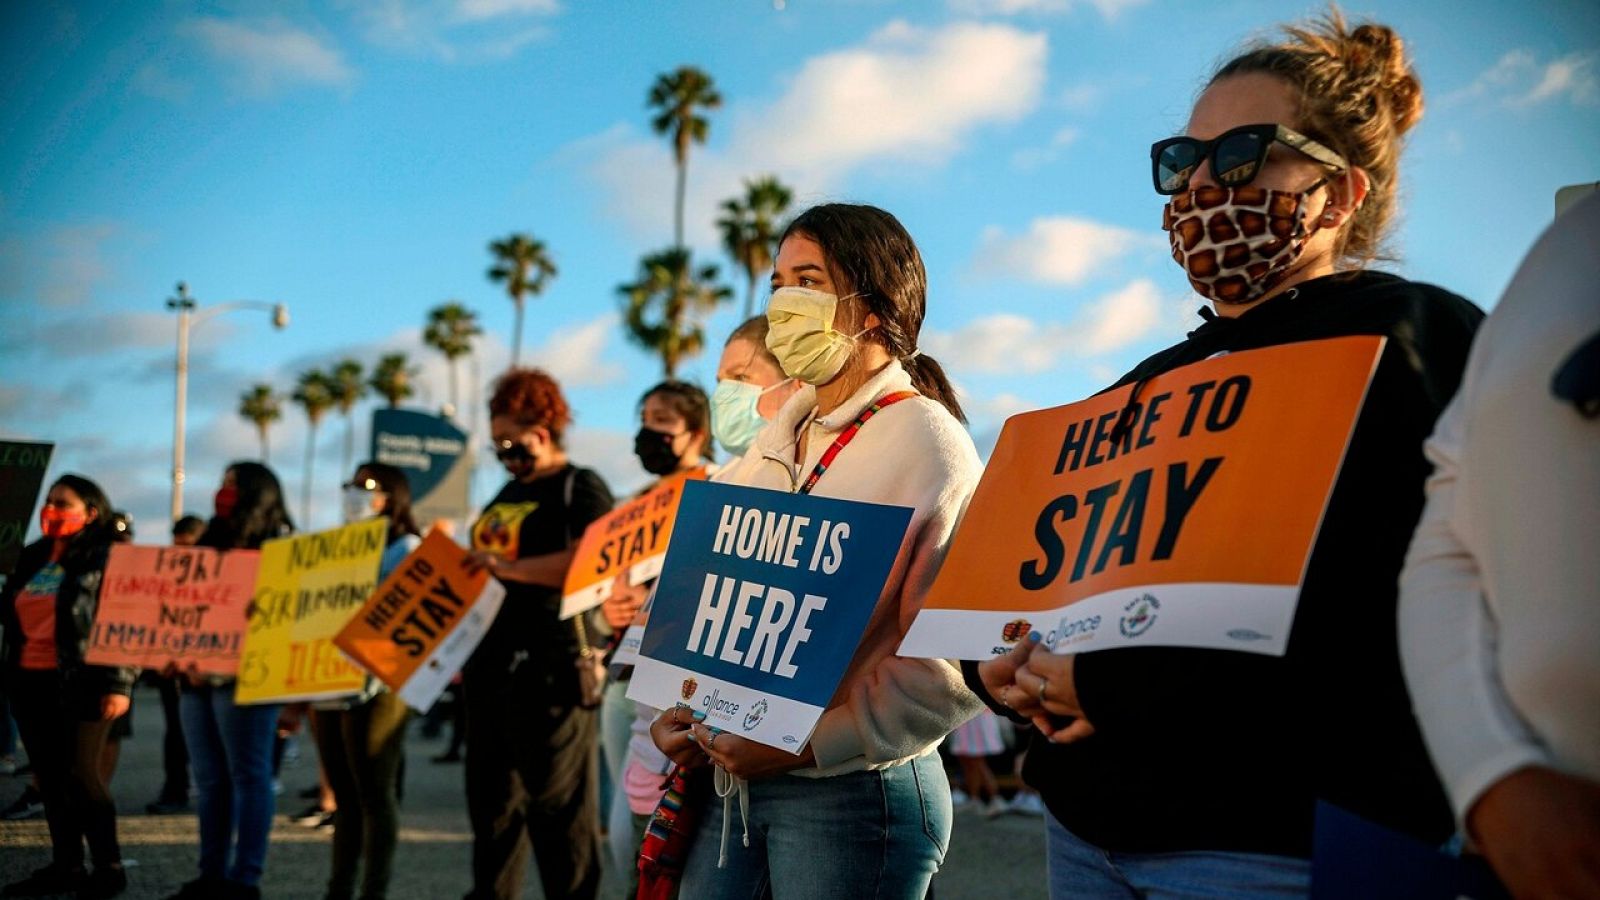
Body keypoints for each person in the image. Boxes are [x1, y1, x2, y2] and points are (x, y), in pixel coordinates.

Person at [968, 11, 1484, 897]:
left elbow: (1406, 609)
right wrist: (1000, 669)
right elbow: (1038, 598)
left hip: (1274, 839)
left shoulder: (1413, 339)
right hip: (1085, 833)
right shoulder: (1136, 387)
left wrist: (1116, 686)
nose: (1204, 182)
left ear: (1343, 193)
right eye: (1183, 159)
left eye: (1242, 152)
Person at [650, 203, 984, 899]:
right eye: (777, 283)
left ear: (871, 305)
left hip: (854, 794)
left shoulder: (928, 443)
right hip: (730, 786)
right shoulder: (765, 451)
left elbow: (952, 659)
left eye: (807, 279)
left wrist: (811, 740)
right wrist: (679, 707)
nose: (781, 303)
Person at [1399, 192, 1600, 898]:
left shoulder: (1423, 322)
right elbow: (1449, 523)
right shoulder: (1563, 256)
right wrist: (1493, 774)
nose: (1202, 187)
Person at [461, 368, 615, 900]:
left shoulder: (581, 485)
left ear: (544, 431)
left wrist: (507, 568)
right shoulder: (506, 491)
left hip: (551, 670)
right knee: (492, 810)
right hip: (490, 671)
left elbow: (592, 564)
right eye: (497, 446)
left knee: (559, 812)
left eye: (514, 442)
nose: (507, 456)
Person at [598, 380, 715, 897]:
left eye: (662, 421)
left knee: (655, 826)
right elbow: (607, 586)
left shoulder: (720, 487)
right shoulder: (634, 506)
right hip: (623, 675)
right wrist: (611, 606)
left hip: (673, 682)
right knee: (621, 823)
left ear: (695, 431)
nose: (648, 432)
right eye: (643, 418)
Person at [0, 475, 134, 900]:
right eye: (49, 501)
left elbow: (124, 620)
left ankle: (109, 867)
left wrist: (119, 682)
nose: (51, 510)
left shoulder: (106, 556)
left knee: (81, 776)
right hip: (29, 681)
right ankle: (67, 866)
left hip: (84, 682)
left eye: (63, 503)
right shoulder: (33, 556)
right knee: (51, 779)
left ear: (90, 512)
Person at [166, 463, 294, 900]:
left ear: (257, 494)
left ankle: (244, 880)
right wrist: (172, 656)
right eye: (221, 482)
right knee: (210, 781)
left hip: (245, 681)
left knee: (249, 775)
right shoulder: (208, 544)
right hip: (195, 681)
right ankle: (211, 875)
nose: (223, 491)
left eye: (233, 484)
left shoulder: (278, 549)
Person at [310, 462, 422, 900]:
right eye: (352, 486)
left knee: (374, 792)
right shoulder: (342, 548)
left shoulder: (407, 549)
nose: (356, 495)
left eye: (368, 487)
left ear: (392, 497)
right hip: (330, 681)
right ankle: (339, 888)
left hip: (379, 687)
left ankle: (373, 890)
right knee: (345, 794)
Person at [145, 515, 205, 815]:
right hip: (171, 668)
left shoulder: (215, 581)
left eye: (189, 547)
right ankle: (175, 788)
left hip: (203, 670)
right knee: (175, 732)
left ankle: (187, 788)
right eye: (177, 547)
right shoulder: (166, 577)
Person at [709, 316, 802, 458]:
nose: (723, 394)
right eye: (720, 382)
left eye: (739, 377)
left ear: (798, 384)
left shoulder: (835, 470)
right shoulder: (722, 477)